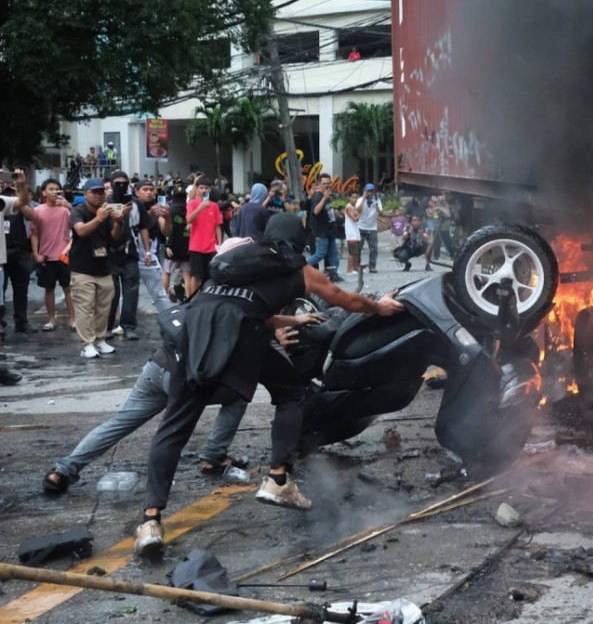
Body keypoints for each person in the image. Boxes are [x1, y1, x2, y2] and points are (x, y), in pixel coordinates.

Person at [133, 214, 404, 556]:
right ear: (298, 239)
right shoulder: (298, 269)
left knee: (173, 427)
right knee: (290, 393)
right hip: (243, 337)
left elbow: (237, 305)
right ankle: (277, 479)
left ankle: (150, 522)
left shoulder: (236, 260)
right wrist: (378, 307)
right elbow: (344, 299)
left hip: (195, 333)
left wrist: (293, 318)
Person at [42, 311, 250, 495]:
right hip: (182, 377)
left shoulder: (202, 299)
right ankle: (213, 456)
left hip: (156, 368)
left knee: (119, 423)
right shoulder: (234, 308)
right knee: (238, 396)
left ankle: (63, 470)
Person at [68, 177, 129, 358]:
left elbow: (115, 237)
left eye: (101, 192)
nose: (98, 196)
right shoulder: (78, 210)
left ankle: (100, 340)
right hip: (82, 267)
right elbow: (81, 231)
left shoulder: (108, 211)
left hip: (103, 266)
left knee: (104, 307)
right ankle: (87, 344)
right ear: (86, 194)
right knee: (85, 307)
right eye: (94, 192)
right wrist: (99, 218)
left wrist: (119, 221)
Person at [29, 177, 76, 331]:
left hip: (64, 256)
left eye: (57, 189)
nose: (55, 192)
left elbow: (78, 223)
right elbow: (34, 234)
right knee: (49, 289)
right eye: (51, 189)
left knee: (68, 288)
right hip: (46, 256)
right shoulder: (37, 211)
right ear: (43, 192)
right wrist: (36, 254)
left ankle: (73, 319)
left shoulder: (65, 210)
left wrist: (69, 206)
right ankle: (51, 319)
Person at [106, 171, 147, 341]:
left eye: (124, 183)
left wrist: (148, 251)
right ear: (111, 185)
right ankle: (107, 326)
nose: (121, 186)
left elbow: (144, 227)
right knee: (111, 293)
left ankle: (128, 326)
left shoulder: (136, 204)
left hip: (130, 253)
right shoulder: (106, 204)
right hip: (110, 254)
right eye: (117, 184)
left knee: (131, 292)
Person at [0, 170, 36, 341]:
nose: (2, 182)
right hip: (2, 254)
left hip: (18, 251)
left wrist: (21, 186)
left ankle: (21, 321)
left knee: (21, 289)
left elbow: (28, 211)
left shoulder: (7, 200)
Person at [133, 180, 174, 315]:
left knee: (159, 292)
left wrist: (167, 218)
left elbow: (166, 232)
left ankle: (169, 318)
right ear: (136, 191)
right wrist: (149, 213)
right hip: (130, 256)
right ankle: (121, 321)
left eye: (151, 190)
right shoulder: (131, 206)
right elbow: (134, 225)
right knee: (124, 292)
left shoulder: (156, 207)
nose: (149, 193)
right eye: (145, 189)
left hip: (149, 256)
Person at [185, 176, 223, 297]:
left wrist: (220, 244)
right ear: (197, 189)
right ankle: (192, 299)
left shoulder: (214, 206)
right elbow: (188, 220)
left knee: (210, 275)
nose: (203, 190)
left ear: (210, 189)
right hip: (196, 246)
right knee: (195, 275)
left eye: (206, 188)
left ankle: (207, 298)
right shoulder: (192, 204)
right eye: (201, 188)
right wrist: (200, 208)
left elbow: (217, 226)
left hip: (211, 246)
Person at [306, 173, 343, 282]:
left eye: (328, 183)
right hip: (321, 231)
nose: (326, 185)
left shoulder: (328, 197)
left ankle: (333, 274)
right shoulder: (317, 196)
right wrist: (324, 198)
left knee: (334, 255)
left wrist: (336, 214)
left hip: (330, 230)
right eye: (324, 183)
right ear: (319, 184)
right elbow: (316, 211)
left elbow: (328, 211)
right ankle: (302, 265)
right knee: (320, 254)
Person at [356, 183, 382, 273]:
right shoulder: (360, 200)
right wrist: (364, 198)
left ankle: (372, 266)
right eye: (368, 191)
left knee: (374, 248)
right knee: (359, 248)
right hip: (361, 226)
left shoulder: (377, 200)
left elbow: (381, 213)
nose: (369, 193)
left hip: (372, 227)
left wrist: (377, 207)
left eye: (371, 191)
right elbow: (357, 210)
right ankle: (357, 265)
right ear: (364, 191)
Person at [343, 190, 361, 275]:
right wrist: (359, 214)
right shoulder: (349, 207)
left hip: (356, 232)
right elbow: (354, 219)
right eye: (353, 197)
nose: (355, 199)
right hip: (351, 233)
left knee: (356, 252)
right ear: (349, 198)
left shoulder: (354, 207)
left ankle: (355, 268)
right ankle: (349, 270)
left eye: (356, 197)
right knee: (352, 253)